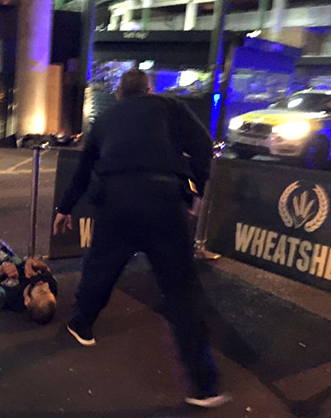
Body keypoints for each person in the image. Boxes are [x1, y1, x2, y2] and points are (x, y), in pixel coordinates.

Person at [52, 68, 229, 408]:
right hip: (164, 199)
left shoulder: (105, 118)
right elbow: (203, 146)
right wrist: (195, 189)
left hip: (117, 200)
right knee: (181, 290)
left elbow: (83, 168)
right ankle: (204, 386)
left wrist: (65, 208)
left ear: (119, 93)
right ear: (148, 90)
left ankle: (82, 324)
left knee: (100, 267)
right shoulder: (169, 106)